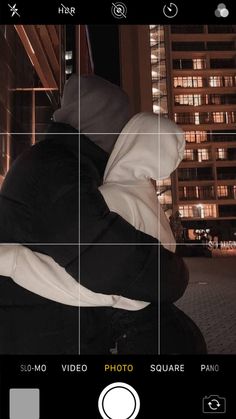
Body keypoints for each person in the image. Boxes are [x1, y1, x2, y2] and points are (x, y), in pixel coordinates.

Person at [0, 75, 206, 354]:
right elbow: (104, 257)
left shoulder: (65, 163)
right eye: (121, 126)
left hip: (49, 323)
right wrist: (175, 274)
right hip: (40, 332)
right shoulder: (56, 169)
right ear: (103, 122)